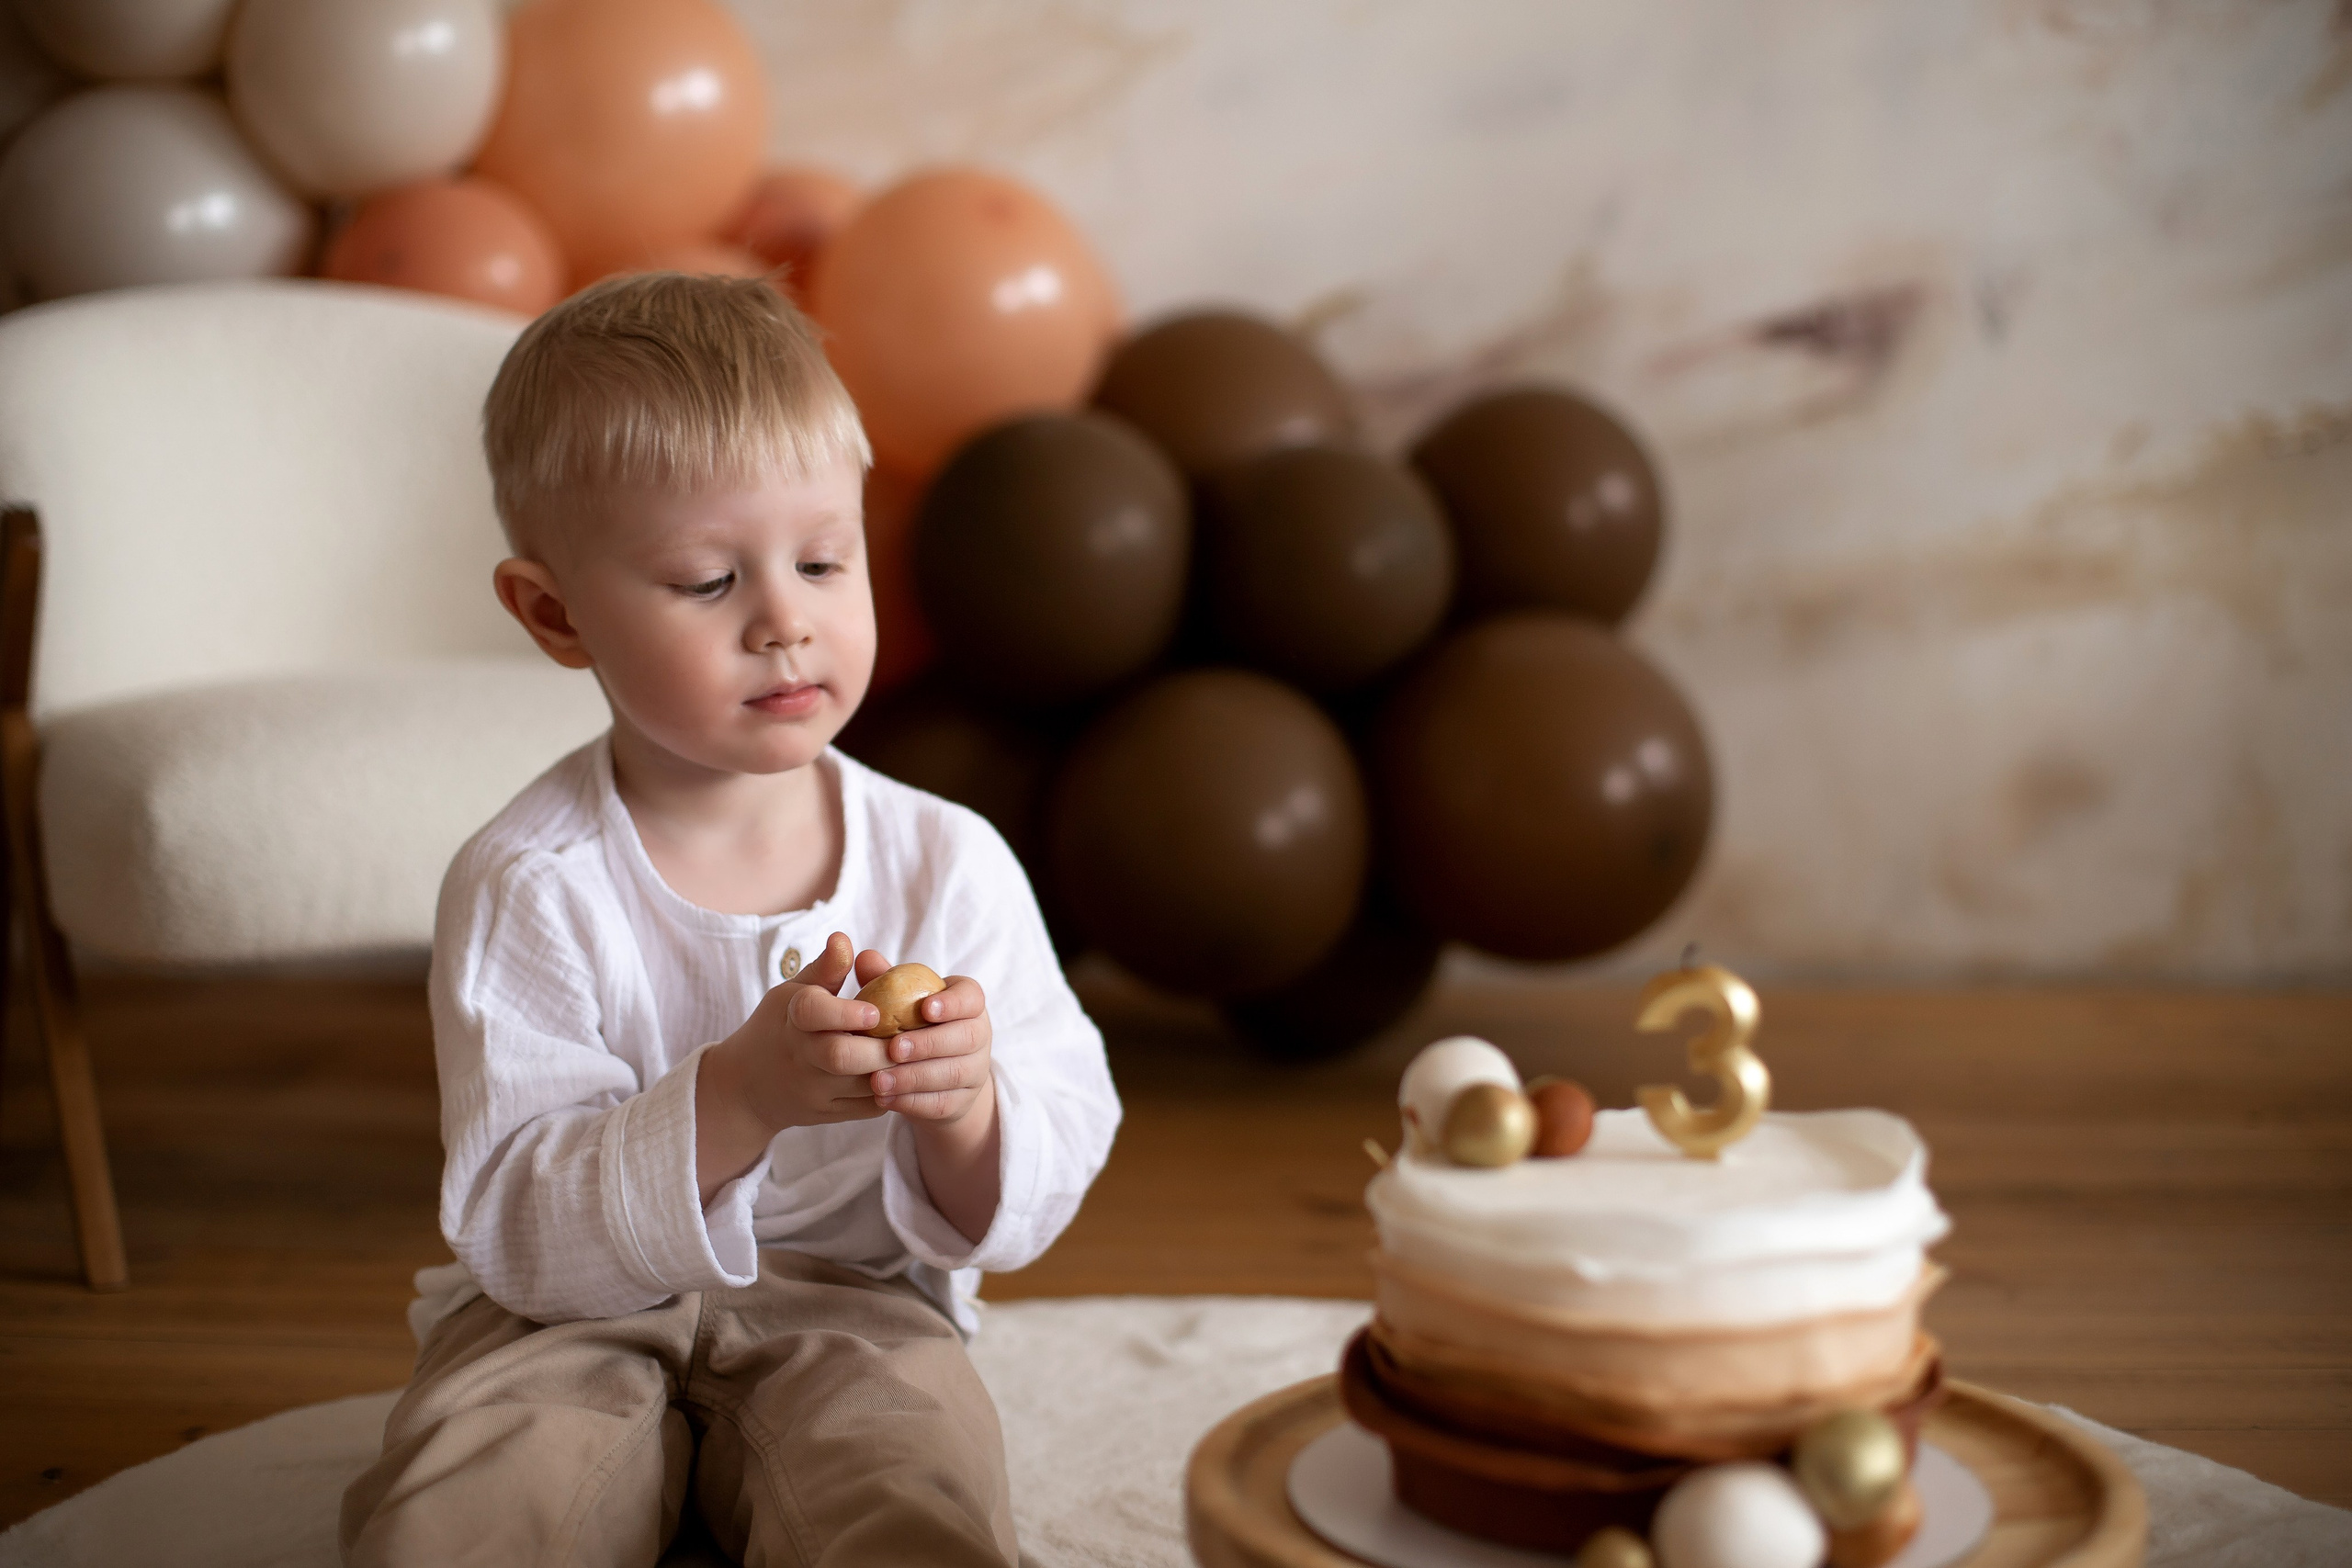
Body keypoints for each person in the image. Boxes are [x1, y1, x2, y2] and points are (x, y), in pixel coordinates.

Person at [339, 272, 1121, 1568]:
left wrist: (969, 1107)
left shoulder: (946, 861)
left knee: (907, 1498)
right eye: (708, 580)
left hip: (857, 1307)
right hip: (561, 1322)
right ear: (555, 614)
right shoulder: (528, 882)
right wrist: (742, 1096)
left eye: (824, 559)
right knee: (474, 1508)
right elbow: (519, 1227)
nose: (785, 620)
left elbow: (1055, 1146)